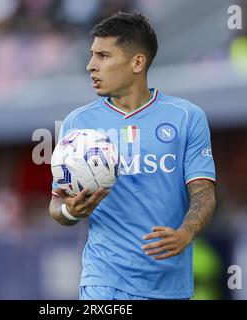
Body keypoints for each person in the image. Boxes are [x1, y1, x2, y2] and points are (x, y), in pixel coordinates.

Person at [48, 11, 216, 300]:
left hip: (171, 286)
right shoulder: (78, 124)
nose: (91, 66)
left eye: (103, 56)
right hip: (104, 284)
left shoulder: (186, 117)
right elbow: (56, 206)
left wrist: (185, 234)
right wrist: (70, 212)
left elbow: (204, 194)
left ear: (137, 62)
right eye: (91, 55)